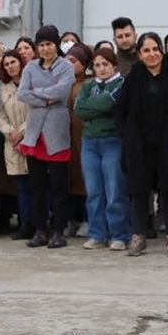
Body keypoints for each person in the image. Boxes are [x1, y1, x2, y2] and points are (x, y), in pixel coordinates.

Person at [114, 32, 168, 258]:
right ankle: (138, 238)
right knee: (139, 192)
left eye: (155, 49)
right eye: (146, 50)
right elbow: (120, 109)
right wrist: (127, 134)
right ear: (139, 55)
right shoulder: (134, 77)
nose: (152, 54)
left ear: (161, 50)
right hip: (140, 146)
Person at [17, 25, 75, 249]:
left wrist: (36, 94)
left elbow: (61, 92)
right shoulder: (30, 67)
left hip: (56, 133)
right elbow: (22, 93)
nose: (45, 48)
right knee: (37, 187)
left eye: (49, 44)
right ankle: (40, 229)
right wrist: (46, 97)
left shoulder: (65, 66)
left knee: (59, 187)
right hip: (34, 135)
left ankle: (58, 230)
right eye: (41, 45)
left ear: (56, 45)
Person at [75, 48, 130, 250]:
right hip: (89, 143)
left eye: (105, 64)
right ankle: (98, 234)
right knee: (94, 191)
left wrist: (95, 107)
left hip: (113, 141)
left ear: (114, 65)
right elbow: (80, 109)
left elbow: (110, 103)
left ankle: (119, 235)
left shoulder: (121, 84)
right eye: (97, 65)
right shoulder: (88, 86)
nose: (101, 68)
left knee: (114, 190)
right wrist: (98, 107)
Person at [0, 50, 32, 240]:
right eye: (6, 64)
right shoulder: (3, 88)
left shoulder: (31, 82)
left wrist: (22, 133)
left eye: (13, 62)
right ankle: (25, 224)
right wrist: (10, 133)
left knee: (38, 186)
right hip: (12, 143)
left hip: (32, 139)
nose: (10, 66)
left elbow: (36, 110)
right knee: (21, 187)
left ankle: (39, 223)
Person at [64, 43, 93, 237]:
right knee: (66, 178)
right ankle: (69, 219)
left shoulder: (90, 84)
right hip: (63, 138)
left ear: (83, 64)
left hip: (83, 137)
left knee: (84, 179)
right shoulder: (61, 82)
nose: (68, 65)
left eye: (73, 61)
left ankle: (86, 219)